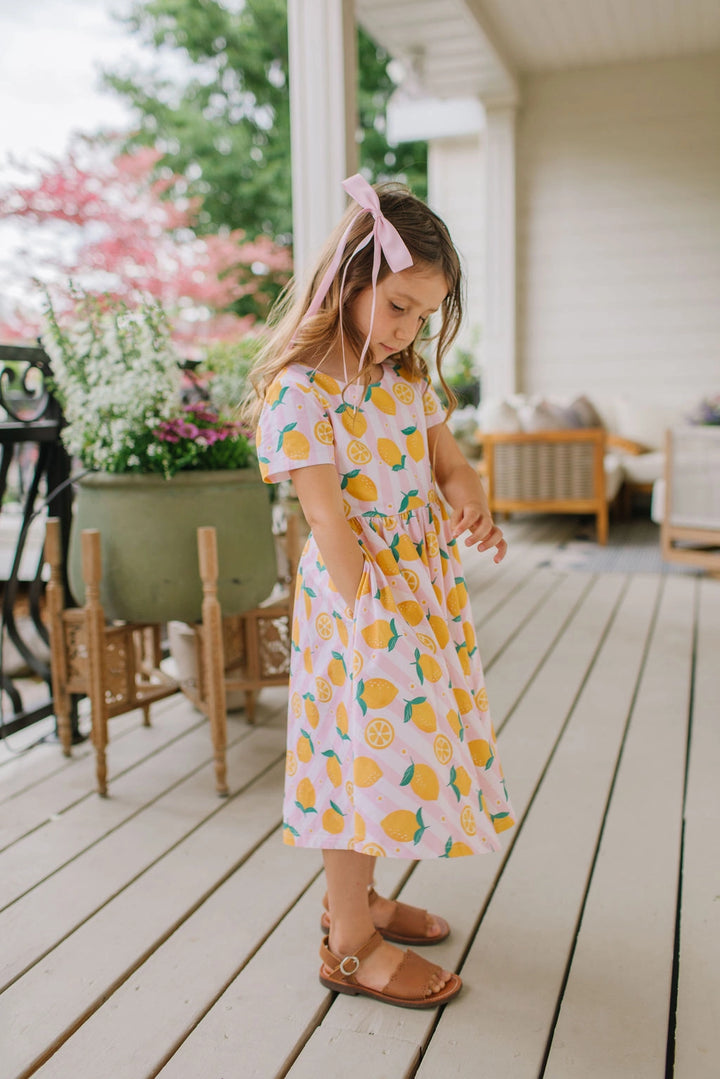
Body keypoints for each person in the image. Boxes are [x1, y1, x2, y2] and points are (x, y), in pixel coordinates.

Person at [248, 174, 514, 1010]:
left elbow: (448, 461)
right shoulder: (302, 394)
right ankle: (350, 945)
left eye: (423, 317)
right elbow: (327, 518)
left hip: (417, 597)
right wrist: (374, 616)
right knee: (357, 759)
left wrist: (468, 494)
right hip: (359, 606)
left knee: (388, 753)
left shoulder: (402, 381)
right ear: (348, 283)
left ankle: (353, 901)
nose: (408, 330)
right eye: (397, 306)